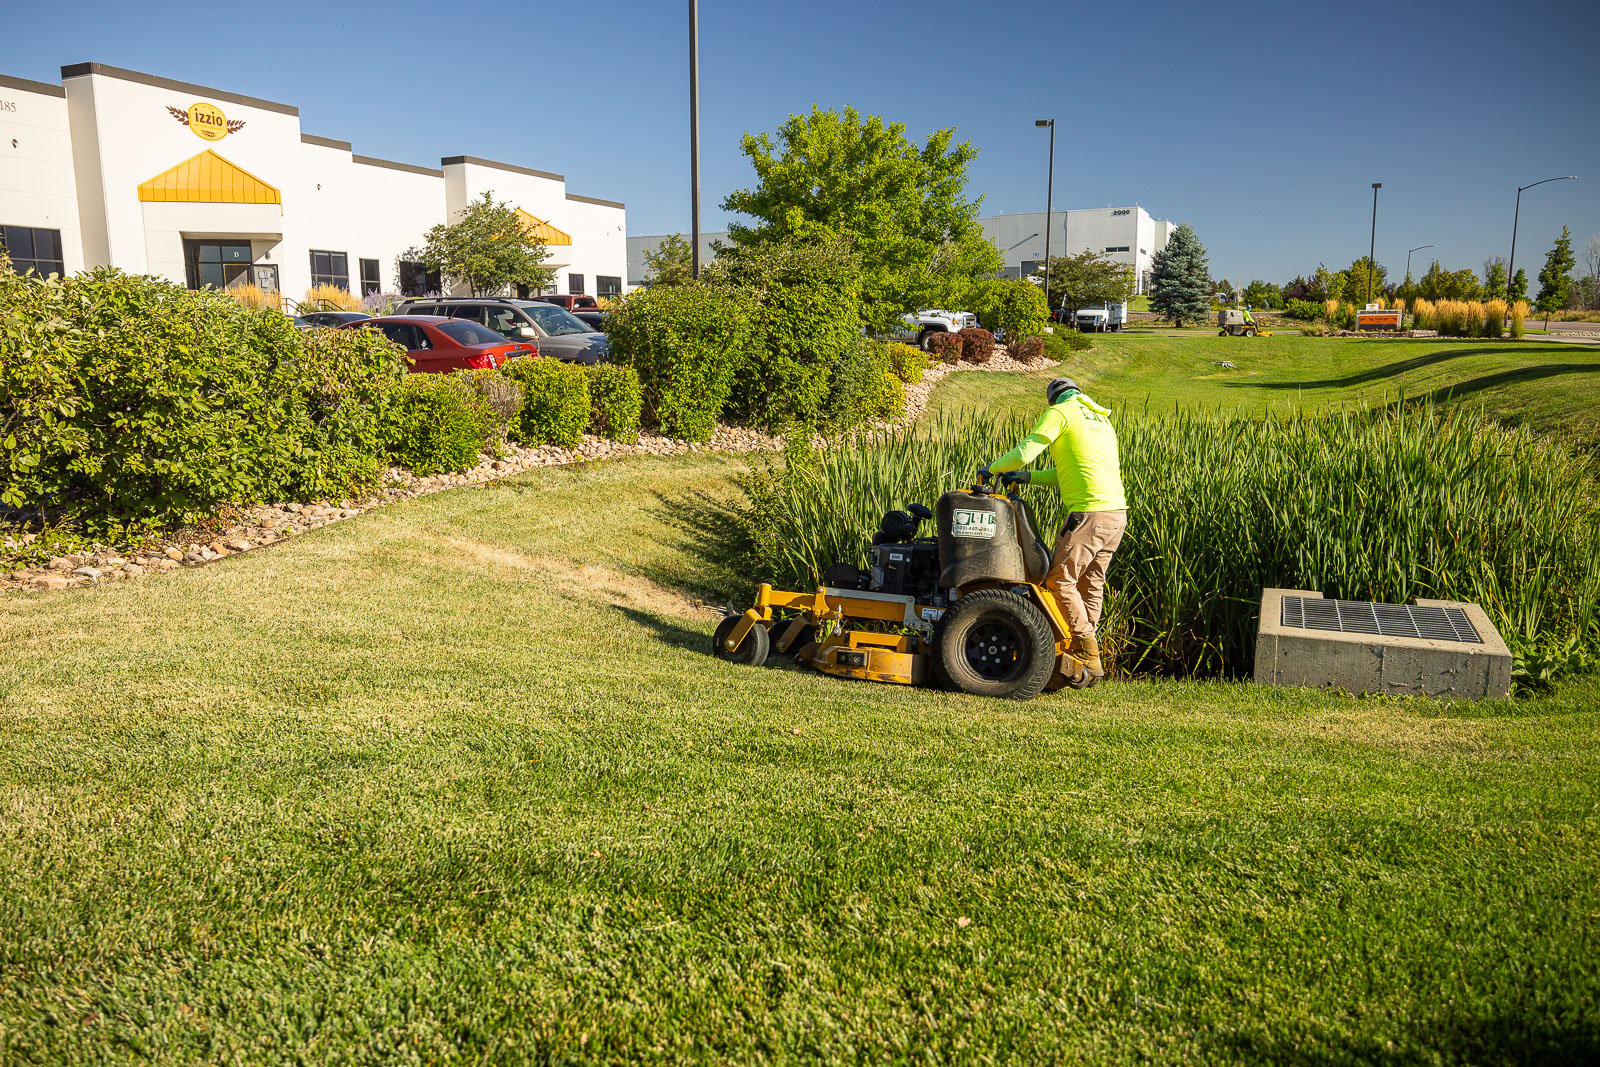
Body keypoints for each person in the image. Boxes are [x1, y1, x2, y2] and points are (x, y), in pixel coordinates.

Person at [980, 377, 1127, 685]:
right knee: (1090, 583)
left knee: (1060, 580)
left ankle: (1085, 650)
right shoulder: (1099, 419)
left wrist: (993, 469)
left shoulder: (1061, 412)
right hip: (1116, 514)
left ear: (1052, 400)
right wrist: (1028, 478)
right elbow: (1067, 472)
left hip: (1089, 514)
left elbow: (1024, 451)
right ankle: (1086, 655)